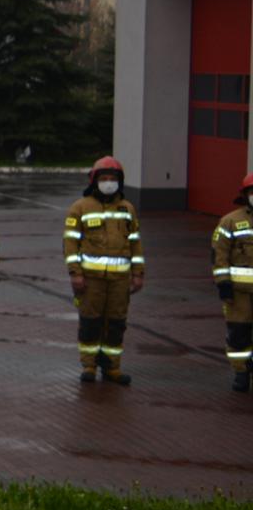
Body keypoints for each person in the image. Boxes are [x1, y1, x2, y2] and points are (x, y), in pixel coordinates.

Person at [62, 156, 145, 385]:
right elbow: (70, 244)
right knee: (90, 322)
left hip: (119, 281)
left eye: (113, 179)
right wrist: (75, 273)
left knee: (116, 323)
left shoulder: (127, 209)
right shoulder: (80, 208)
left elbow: (135, 242)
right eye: (104, 178)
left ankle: (112, 368)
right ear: (94, 181)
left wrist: (138, 273)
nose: (109, 182)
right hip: (90, 280)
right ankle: (89, 366)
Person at [210, 173, 253, 393]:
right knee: (239, 332)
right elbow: (219, 254)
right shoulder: (230, 221)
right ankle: (241, 371)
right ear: (245, 195)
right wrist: (223, 283)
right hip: (238, 292)